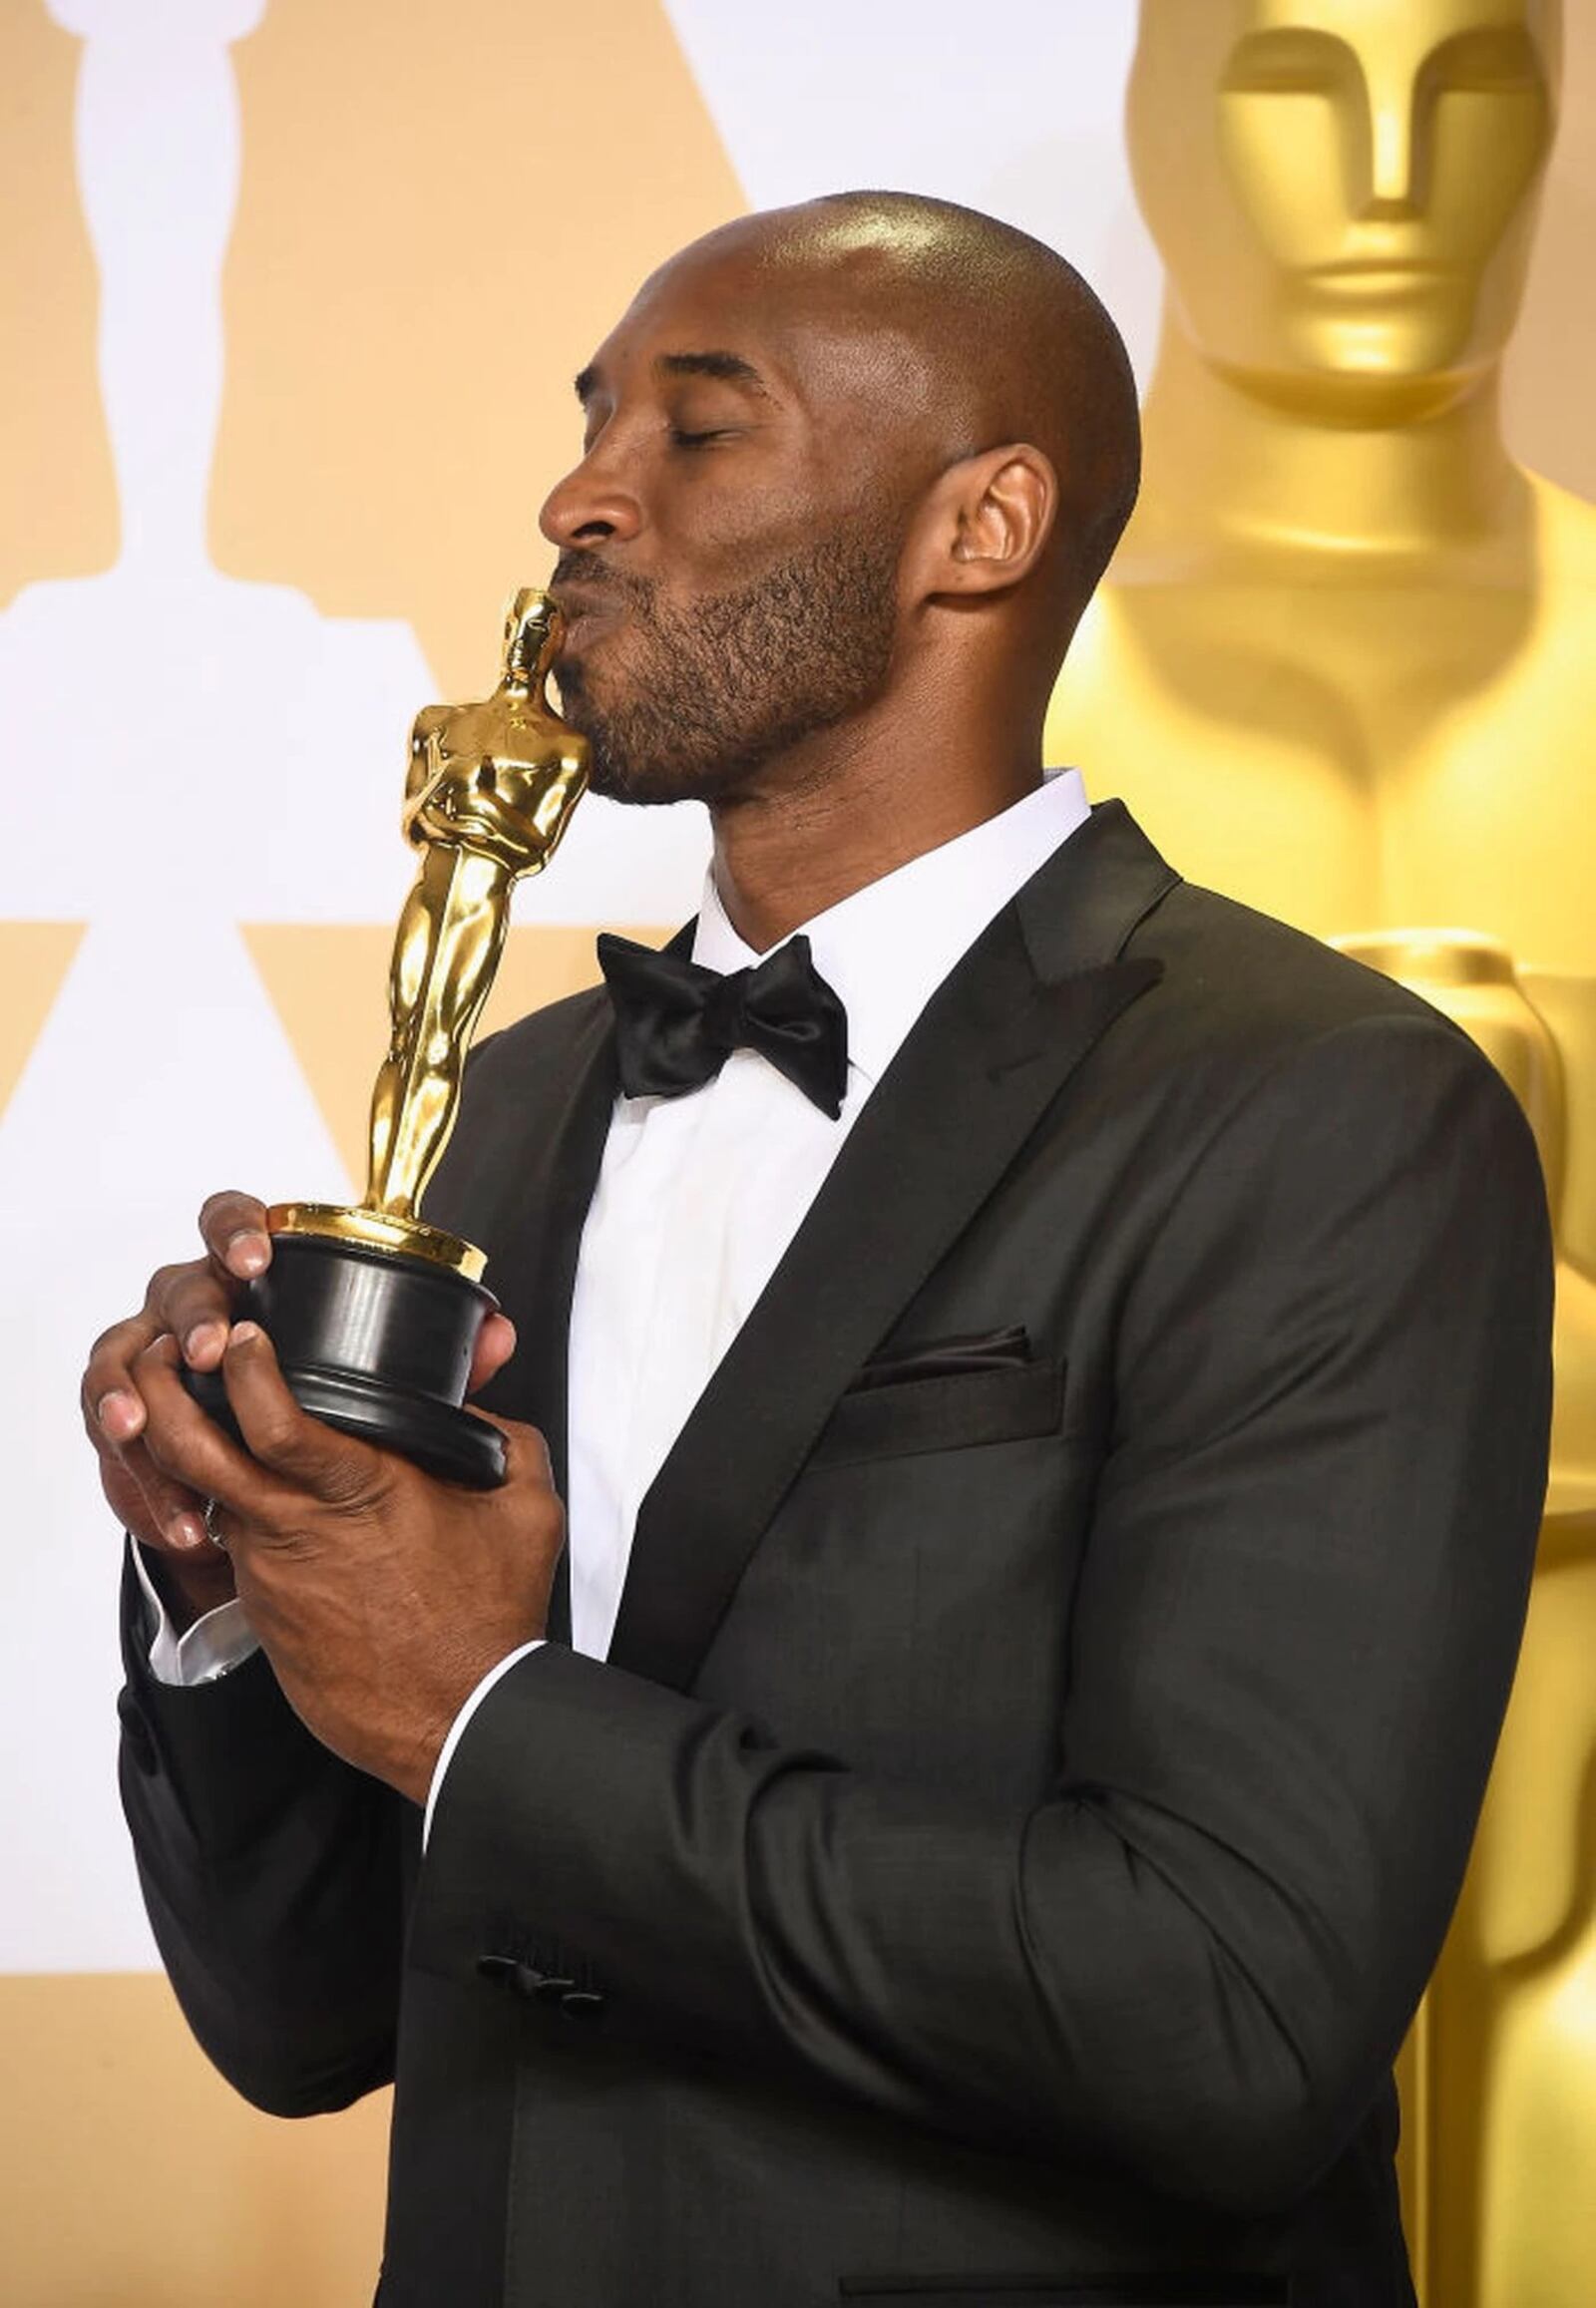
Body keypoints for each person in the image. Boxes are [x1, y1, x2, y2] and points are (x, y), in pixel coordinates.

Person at [85, 192, 1553, 2308]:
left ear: (982, 525)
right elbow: (307, 2020)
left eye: (696, 430)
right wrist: (239, 1589)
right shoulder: (515, 1099)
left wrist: (487, 1707)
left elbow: (1226, 2011)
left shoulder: (1325, 1109)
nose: (578, 493)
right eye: (594, 423)